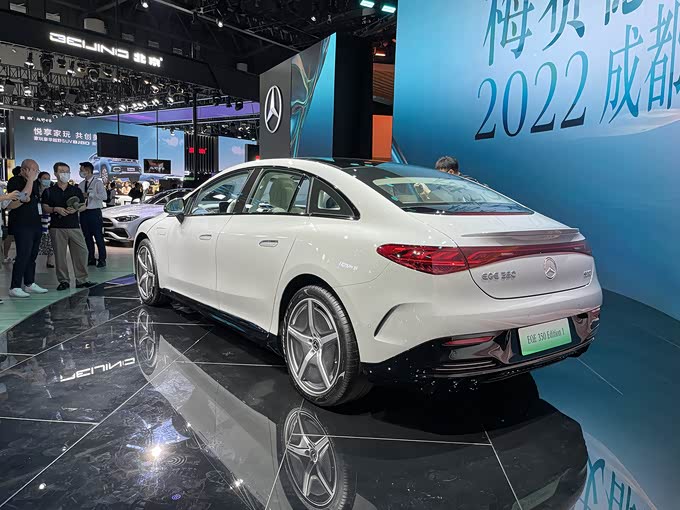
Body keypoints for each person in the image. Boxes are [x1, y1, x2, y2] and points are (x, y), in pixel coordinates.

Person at [42, 163, 95, 291]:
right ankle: (63, 280)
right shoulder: (49, 191)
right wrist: (55, 209)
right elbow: (45, 207)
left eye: (67, 171)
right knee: (60, 256)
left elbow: (83, 205)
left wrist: (76, 209)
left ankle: (82, 280)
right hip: (57, 227)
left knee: (82, 252)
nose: (65, 174)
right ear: (56, 173)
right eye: (62, 171)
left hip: (74, 226)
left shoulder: (75, 190)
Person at [5, 159, 49, 298]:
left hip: (35, 223)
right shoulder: (15, 181)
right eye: (33, 170)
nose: (36, 173)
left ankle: (30, 283)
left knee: (32, 255)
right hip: (21, 224)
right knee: (23, 255)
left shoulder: (34, 183)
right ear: (24, 170)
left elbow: (30, 199)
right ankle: (15, 286)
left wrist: (31, 182)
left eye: (37, 170)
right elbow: (23, 197)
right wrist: (30, 180)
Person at [78, 161, 108, 268]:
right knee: (87, 237)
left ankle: (102, 259)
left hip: (94, 212)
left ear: (88, 170)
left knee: (98, 236)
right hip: (83, 212)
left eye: (82, 170)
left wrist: (90, 194)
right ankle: (91, 258)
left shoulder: (97, 183)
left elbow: (104, 196)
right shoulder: (81, 184)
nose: (80, 172)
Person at [2, 166, 21, 264]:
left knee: (10, 234)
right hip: (18, 210)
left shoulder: (11, 181)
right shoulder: (18, 181)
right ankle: (18, 256)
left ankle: (5, 256)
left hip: (12, 211)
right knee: (19, 236)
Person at [37, 172, 55, 269]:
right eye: (44, 178)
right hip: (37, 217)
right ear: (39, 179)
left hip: (49, 217)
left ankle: (50, 260)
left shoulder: (51, 191)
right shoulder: (35, 190)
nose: (47, 180)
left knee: (50, 238)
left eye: (48, 178)